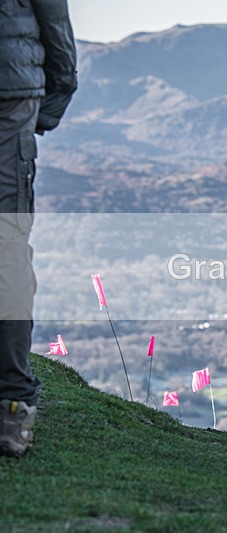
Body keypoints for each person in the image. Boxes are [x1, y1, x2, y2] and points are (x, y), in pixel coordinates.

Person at [0, 0, 77, 457]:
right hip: (11, 90)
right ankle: (11, 406)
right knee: (6, 246)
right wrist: (45, 107)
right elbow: (54, 23)